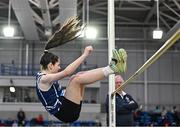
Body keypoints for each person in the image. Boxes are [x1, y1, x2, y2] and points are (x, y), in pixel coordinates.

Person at [35, 16, 127, 123]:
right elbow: (67, 72)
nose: (59, 68)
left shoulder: (43, 78)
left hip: (67, 108)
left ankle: (112, 66)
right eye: (58, 65)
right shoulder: (43, 79)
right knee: (75, 80)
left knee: (79, 75)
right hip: (65, 112)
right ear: (50, 65)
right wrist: (84, 55)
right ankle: (112, 69)